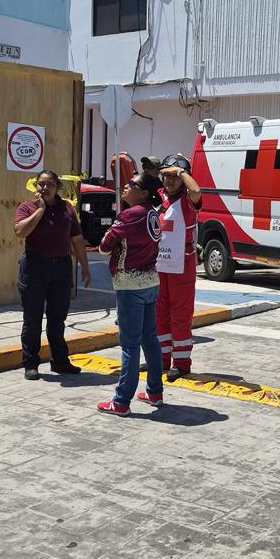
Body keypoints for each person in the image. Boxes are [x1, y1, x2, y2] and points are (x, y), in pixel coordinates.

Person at [96, 172, 165, 415]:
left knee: (130, 345)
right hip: (150, 281)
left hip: (129, 284)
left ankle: (122, 401)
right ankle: (155, 392)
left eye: (132, 184)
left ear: (144, 192)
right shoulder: (153, 214)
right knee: (150, 339)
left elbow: (104, 247)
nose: (125, 186)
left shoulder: (129, 215)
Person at [14, 170, 93, 380]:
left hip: (61, 269)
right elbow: (20, 231)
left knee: (57, 319)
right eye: (41, 184)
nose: (44, 188)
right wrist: (40, 211)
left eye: (49, 184)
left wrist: (85, 268)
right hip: (34, 268)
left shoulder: (67, 208)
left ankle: (60, 361)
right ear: (36, 186)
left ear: (57, 187)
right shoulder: (27, 208)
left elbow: (77, 240)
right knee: (32, 319)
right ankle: (31, 363)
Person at [156, 154, 202, 379]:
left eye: (174, 176)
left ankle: (181, 362)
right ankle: (161, 359)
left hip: (182, 266)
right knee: (159, 314)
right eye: (166, 175)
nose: (169, 180)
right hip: (158, 265)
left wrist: (181, 172)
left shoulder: (187, 199)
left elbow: (196, 192)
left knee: (181, 316)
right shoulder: (156, 197)